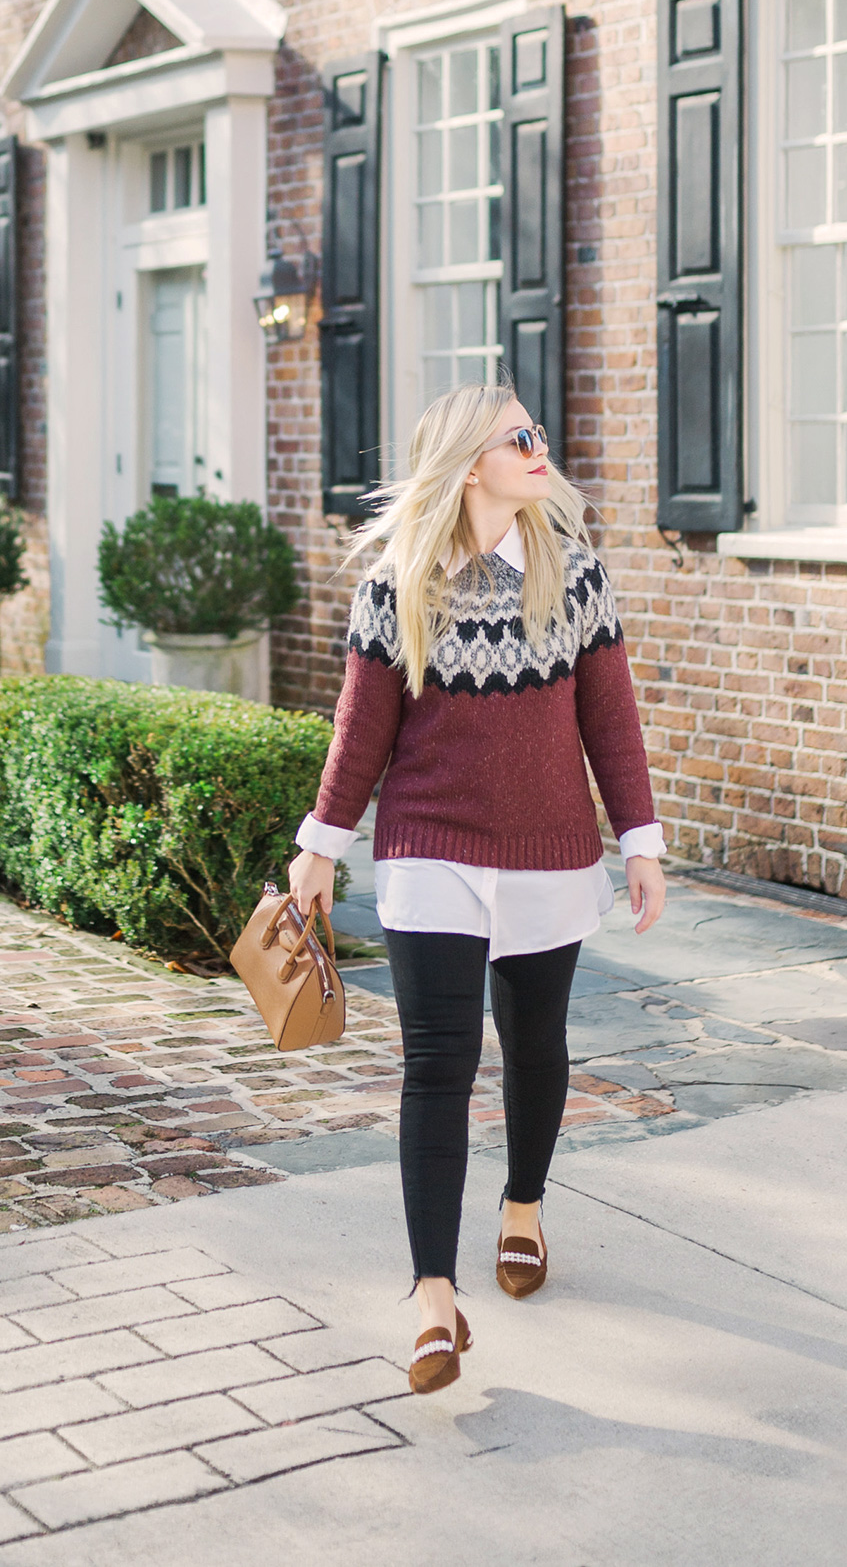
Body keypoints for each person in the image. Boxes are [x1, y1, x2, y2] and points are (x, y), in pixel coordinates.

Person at [288, 381, 667, 1394]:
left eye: (535, 432)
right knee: (438, 1063)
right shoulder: (399, 584)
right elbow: (362, 729)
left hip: (547, 849)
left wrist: (641, 839)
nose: (538, 446)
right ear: (469, 465)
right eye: (518, 436)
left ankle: (524, 1206)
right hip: (429, 850)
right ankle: (432, 1298)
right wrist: (320, 844)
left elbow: (610, 719)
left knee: (534, 1039)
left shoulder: (576, 575)